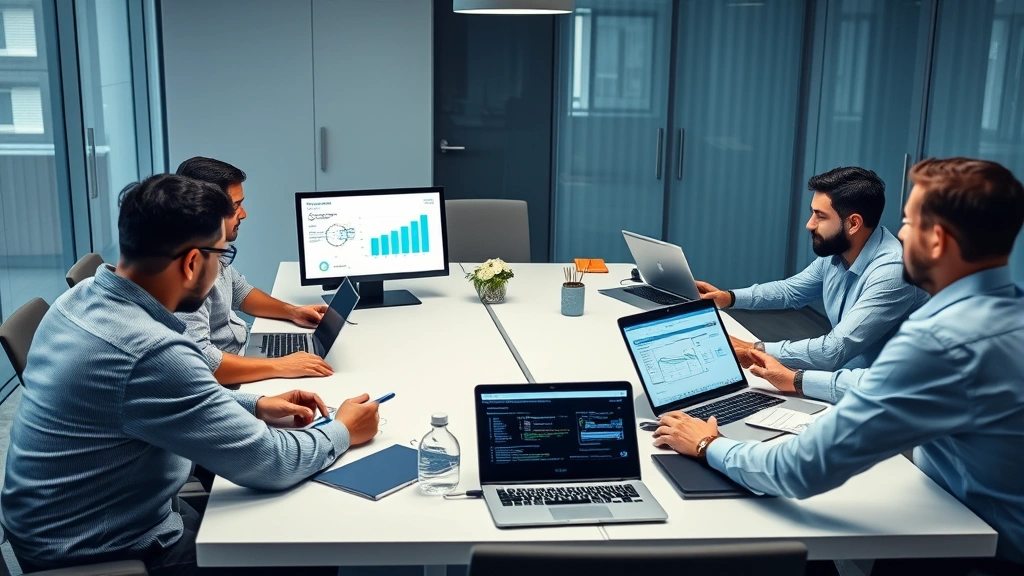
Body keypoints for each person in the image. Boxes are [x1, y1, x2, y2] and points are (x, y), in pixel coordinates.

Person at [653, 158, 1024, 575]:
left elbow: (799, 470)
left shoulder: (940, 340)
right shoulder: (1007, 314)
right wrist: (739, 309)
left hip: (979, 548)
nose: (899, 233)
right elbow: (874, 376)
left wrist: (707, 444)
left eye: (908, 221)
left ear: (936, 239)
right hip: (955, 508)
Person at [0, 174, 380, 575]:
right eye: (222, 256)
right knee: (308, 551)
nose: (222, 268)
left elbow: (147, 397)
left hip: (65, 526)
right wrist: (343, 429)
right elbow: (271, 463)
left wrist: (257, 404)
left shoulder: (78, 300)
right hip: (107, 550)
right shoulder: (150, 350)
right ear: (193, 262)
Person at [697, 167, 928, 373]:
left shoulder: (893, 272)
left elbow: (832, 351)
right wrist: (728, 298)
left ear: (853, 223)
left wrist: (754, 349)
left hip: (883, 395)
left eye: (820, 216)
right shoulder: (840, 250)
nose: (810, 224)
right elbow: (791, 291)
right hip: (846, 379)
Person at [175, 156, 333, 386]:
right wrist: (282, 366)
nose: (244, 214)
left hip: (243, 353)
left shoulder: (209, 246)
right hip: (229, 378)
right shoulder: (188, 272)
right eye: (236, 206)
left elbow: (239, 291)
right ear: (204, 209)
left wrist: (292, 312)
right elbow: (202, 362)